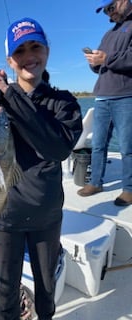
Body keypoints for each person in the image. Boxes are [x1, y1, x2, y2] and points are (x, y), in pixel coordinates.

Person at [0, 17, 82, 320]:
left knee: (46, 287)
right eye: (20, 51)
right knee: (4, 293)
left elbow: (57, 148)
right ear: (10, 60)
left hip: (45, 215)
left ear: (47, 51)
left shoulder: (64, 103)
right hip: (2, 215)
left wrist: (12, 95)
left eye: (35, 46)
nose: (29, 56)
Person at [77, 0, 132, 206]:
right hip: (102, 96)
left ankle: (129, 188)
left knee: (128, 146)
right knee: (98, 144)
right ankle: (95, 182)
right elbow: (102, 65)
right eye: (105, 10)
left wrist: (106, 59)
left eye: (111, 7)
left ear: (124, 1)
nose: (108, 13)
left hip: (126, 96)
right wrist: (94, 62)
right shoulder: (108, 34)